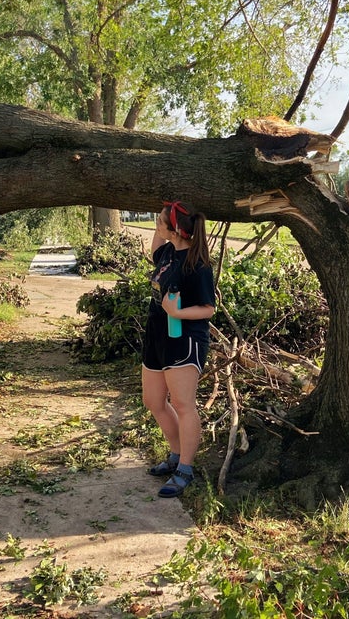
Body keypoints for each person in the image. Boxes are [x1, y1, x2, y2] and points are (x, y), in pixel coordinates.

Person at [142, 200, 215, 498]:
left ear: (176, 231)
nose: (157, 225)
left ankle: (185, 469)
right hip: (157, 336)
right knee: (154, 400)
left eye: (161, 221)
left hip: (184, 339)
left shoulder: (197, 266)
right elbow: (154, 245)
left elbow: (208, 309)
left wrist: (178, 312)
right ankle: (175, 454)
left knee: (184, 405)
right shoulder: (167, 253)